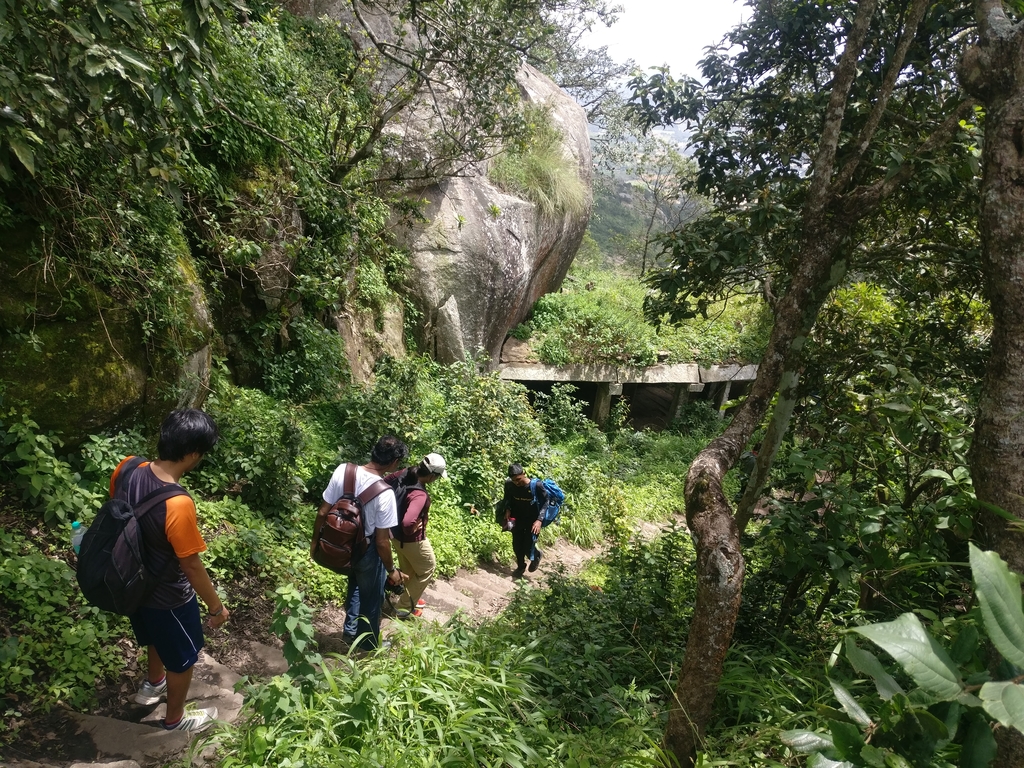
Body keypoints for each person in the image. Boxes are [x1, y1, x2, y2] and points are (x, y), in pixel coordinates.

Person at [116, 409, 228, 732]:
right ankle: (175, 719)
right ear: (192, 454)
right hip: (169, 597)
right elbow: (191, 565)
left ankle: (153, 684)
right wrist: (216, 607)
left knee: (154, 637)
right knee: (183, 657)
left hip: (134, 585)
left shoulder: (127, 468)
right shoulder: (178, 503)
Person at [313, 435, 409, 650]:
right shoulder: (385, 493)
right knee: (372, 599)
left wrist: (315, 544)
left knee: (356, 584)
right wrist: (391, 570)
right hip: (367, 551)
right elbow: (383, 542)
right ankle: (368, 645)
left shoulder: (343, 471)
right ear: (394, 462)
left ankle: (350, 633)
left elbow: (322, 512)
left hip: (342, 546)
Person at [386, 453, 447, 618]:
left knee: (409, 569)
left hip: (393, 534)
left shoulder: (405, 472)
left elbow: (384, 483)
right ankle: (404, 608)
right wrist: (410, 529)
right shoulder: (420, 495)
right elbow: (408, 523)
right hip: (411, 540)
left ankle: (408, 597)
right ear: (432, 476)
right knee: (428, 568)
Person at [501, 463, 548, 578]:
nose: (517, 483)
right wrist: (507, 509)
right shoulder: (509, 484)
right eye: (514, 481)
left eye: (518, 479)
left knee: (528, 546)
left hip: (533, 521)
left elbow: (546, 501)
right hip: (516, 519)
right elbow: (507, 498)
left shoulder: (536, 485)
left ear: (523, 474)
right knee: (516, 545)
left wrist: (539, 520)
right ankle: (521, 567)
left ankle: (536, 555)